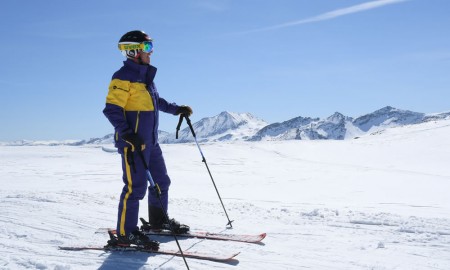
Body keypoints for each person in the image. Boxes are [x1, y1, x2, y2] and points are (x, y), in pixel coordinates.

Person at [103, 30, 192, 247]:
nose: (151, 53)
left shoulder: (146, 78)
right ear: (133, 51)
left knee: (162, 182)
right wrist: (127, 134)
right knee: (135, 188)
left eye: (151, 48)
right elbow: (112, 109)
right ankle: (126, 234)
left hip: (151, 143)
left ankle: (158, 222)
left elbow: (156, 102)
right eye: (147, 48)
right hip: (133, 145)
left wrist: (176, 109)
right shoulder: (122, 77)